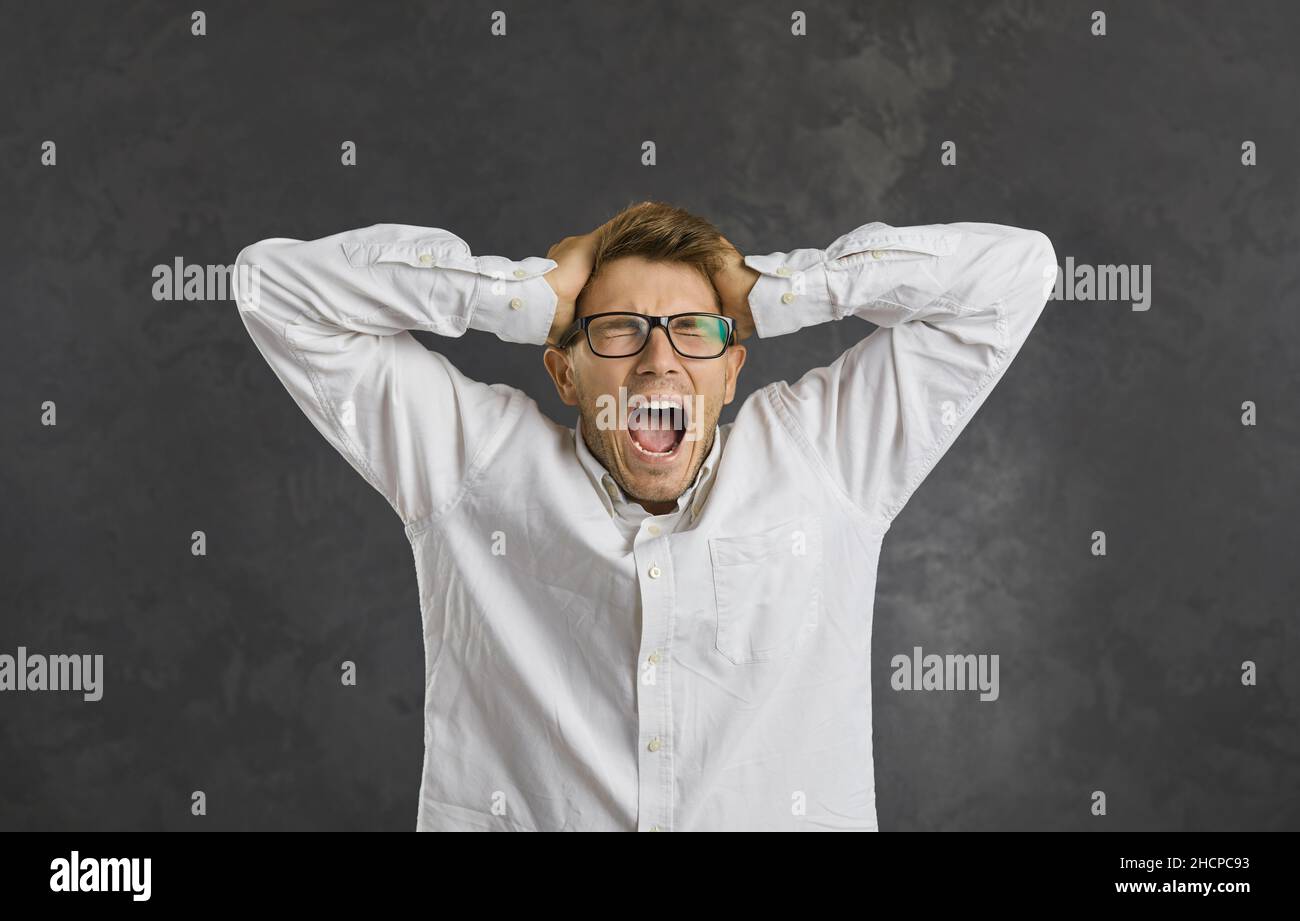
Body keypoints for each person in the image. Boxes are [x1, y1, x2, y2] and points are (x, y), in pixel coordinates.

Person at [233, 200, 1056, 831]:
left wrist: (777, 292)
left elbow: (1017, 273)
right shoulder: (475, 466)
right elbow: (273, 289)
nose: (660, 358)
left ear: (732, 370)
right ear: (564, 370)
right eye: (621, 331)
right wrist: (520, 294)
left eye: (693, 332)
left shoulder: (822, 459)